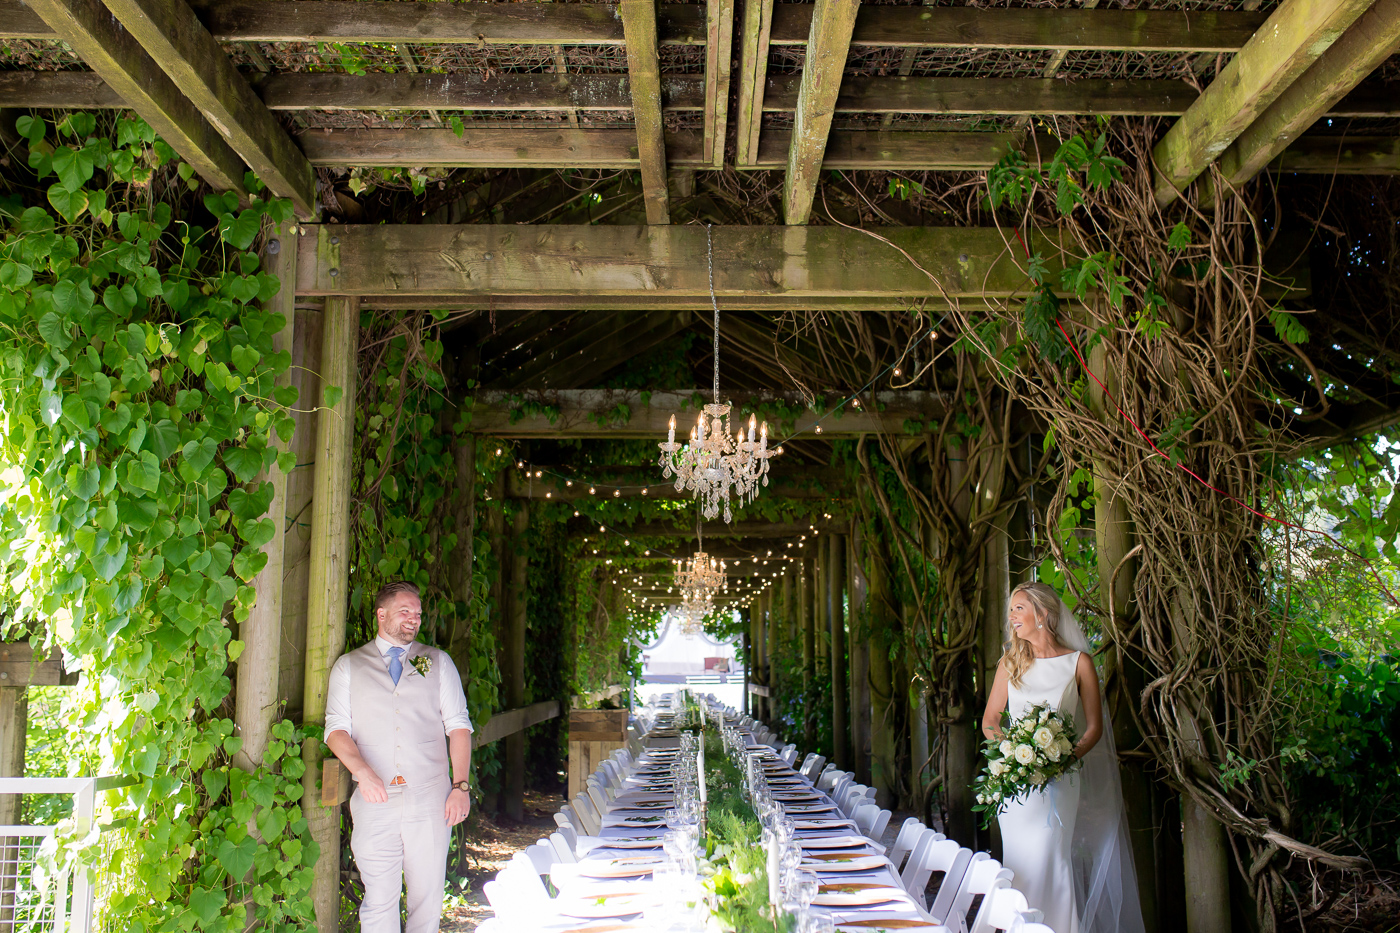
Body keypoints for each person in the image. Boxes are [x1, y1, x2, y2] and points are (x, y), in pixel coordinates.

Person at [980, 581, 1146, 933]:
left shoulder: (1078, 663)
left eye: (1019, 608)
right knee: (1020, 864)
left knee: (1053, 861)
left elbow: (1093, 730)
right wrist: (1012, 756)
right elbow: (991, 719)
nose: (1012, 616)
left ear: (1043, 614)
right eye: (1011, 609)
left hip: (1060, 783)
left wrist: (1061, 763)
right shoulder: (1009, 662)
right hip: (1016, 786)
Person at [325, 581, 474, 933]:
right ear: (381, 614)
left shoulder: (436, 661)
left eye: (418, 614)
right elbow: (335, 730)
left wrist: (461, 786)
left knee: (427, 897)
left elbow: (459, 727)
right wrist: (363, 772)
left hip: (430, 798)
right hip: (375, 800)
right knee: (378, 897)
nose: (414, 619)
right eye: (405, 611)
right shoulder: (349, 666)